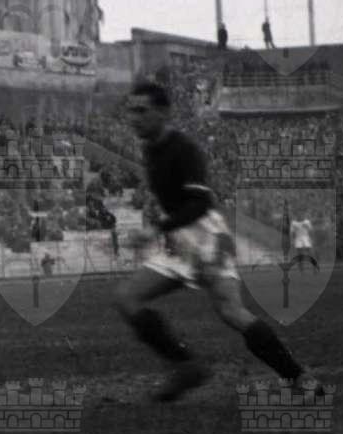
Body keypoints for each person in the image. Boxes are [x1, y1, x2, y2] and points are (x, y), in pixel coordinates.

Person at [114, 80, 317, 403]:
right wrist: (163, 229)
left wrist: (156, 229)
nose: (134, 117)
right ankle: (186, 367)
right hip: (179, 238)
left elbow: (200, 203)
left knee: (231, 310)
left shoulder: (184, 149)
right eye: (131, 110)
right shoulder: (150, 149)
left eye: (142, 110)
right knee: (127, 298)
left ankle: (298, 377)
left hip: (207, 234)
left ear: (163, 112)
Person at [286, 202, 318, 273]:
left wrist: (312, 239)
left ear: (303, 213)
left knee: (310, 253)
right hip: (298, 239)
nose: (300, 214)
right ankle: (301, 269)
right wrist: (292, 241)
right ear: (296, 214)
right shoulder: (294, 223)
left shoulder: (307, 222)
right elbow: (291, 233)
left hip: (306, 238)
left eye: (301, 213)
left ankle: (314, 267)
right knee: (300, 255)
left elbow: (311, 231)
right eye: (298, 213)